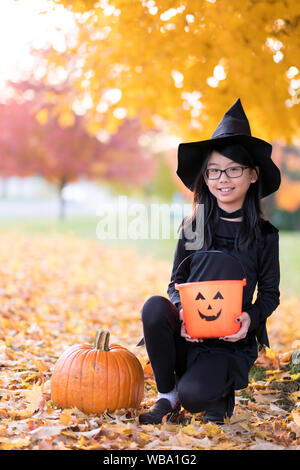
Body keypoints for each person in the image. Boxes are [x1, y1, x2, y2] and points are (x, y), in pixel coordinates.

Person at [138, 98, 281, 425]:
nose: (223, 178)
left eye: (233, 169)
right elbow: (176, 284)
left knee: (198, 397)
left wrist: (250, 319)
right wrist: (184, 311)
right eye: (214, 170)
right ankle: (167, 396)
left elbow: (270, 294)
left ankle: (213, 390)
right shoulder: (194, 227)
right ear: (205, 176)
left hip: (230, 342)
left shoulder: (264, 235)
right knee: (153, 307)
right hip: (190, 334)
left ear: (253, 175)